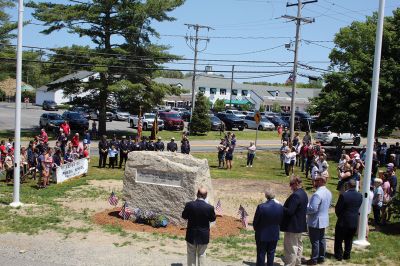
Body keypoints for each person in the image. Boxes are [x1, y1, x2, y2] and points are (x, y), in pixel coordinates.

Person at [182, 187, 216, 266]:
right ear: (206, 196)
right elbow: (213, 219)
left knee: (191, 254)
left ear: (197, 194)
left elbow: (184, 216)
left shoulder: (189, 205)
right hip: (203, 235)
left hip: (191, 234)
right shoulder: (209, 207)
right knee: (202, 254)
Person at [304, 174, 332, 265]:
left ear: (320, 181)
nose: (314, 182)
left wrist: (305, 210)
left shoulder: (317, 194)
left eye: (316, 181)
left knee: (315, 240)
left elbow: (313, 209)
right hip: (323, 219)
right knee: (322, 239)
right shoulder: (328, 192)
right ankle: (321, 257)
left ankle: (314, 259)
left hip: (315, 220)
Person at [281, 175, 308, 266]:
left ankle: (290, 264)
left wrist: (281, 207)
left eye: (291, 184)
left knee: (291, 248)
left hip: (292, 226)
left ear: (297, 183)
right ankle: (297, 263)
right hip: (300, 225)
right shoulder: (303, 193)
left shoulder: (296, 195)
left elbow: (290, 211)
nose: (290, 186)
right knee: (299, 246)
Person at [253, 187, 283, 266]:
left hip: (262, 234)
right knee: (271, 253)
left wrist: (256, 229)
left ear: (266, 196)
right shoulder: (280, 207)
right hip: (274, 234)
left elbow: (255, 222)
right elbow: (281, 220)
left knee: (261, 253)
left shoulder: (261, 207)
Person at [334, 179, 362, 261]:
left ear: (348, 185)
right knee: (349, 239)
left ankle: (339, 255)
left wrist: (340, 216)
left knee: (339, 239)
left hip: (343, 221)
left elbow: (337, 209)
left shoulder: (344, 195)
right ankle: (347, 255)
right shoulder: (360, 195)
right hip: (354, 221)